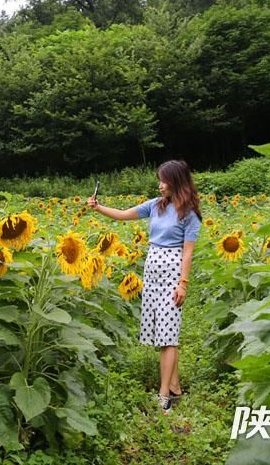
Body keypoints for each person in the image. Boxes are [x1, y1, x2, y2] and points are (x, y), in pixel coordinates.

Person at [87, 160, 202, 414]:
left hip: (173, 271)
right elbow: (123, 215)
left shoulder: (189, 214)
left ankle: (164, 397)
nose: (160, 185)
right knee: (162, 331)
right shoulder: (155, 205)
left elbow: (188, 254)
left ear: (177, 183)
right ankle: (175, 387)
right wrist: (98, 208)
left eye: (164, 181)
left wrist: (183, 284)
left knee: (169, 335)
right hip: (152, 272)